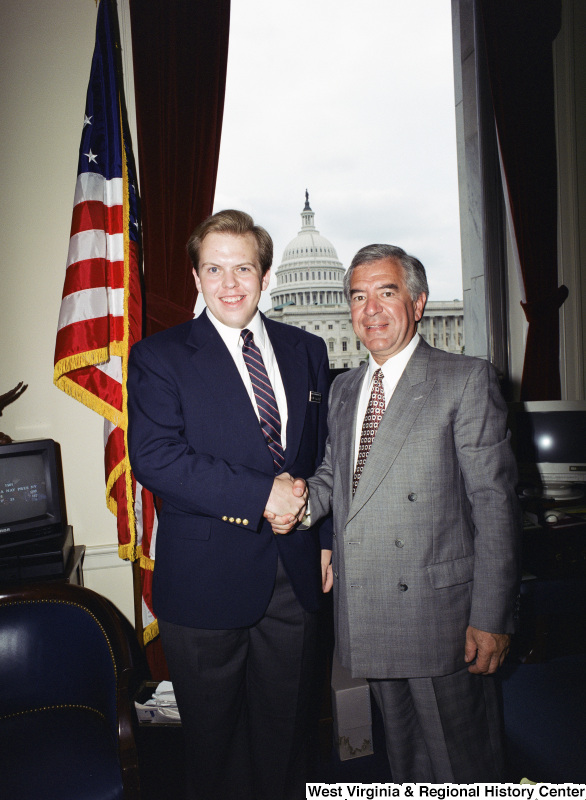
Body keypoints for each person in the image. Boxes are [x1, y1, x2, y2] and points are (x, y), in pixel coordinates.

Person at [270, 243, 521, 783]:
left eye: (387, 292)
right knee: (402, 764)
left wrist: (492, 616)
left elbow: (495, 506)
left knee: (463, 768)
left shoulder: (465, 379)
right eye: (358, 297)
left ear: (418, 302)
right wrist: (293, 501)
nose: (371, 310)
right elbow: (338, 477)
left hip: (444, 618)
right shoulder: (344, 390)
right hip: (370, 611)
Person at [127, 210, 332, 800]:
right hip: (204, 582)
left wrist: (323, 538)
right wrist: (260, 494)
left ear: (266, 274)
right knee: (213, 747)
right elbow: (156, 458)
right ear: (195, 277)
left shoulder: (307, 349)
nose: (230, 283)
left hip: (295, 576)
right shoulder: (160, 356)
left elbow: (322, 457)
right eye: (213, 269)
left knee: (286, 736)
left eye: (243, 267)